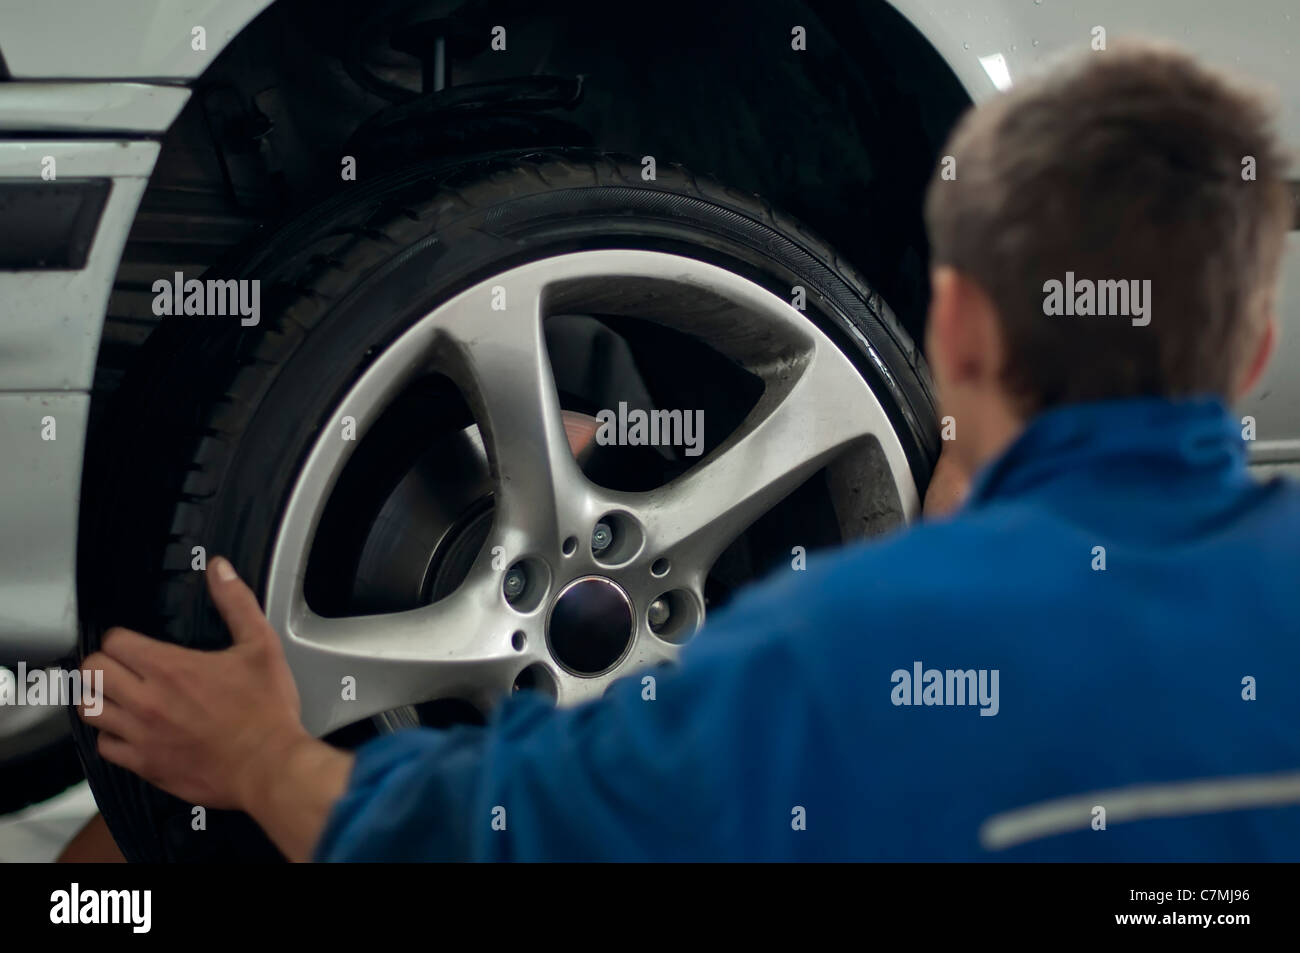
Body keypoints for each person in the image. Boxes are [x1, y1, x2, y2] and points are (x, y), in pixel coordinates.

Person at [77, 40, 1298, 861]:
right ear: (1253, 351)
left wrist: (257, 753)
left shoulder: (839, 657)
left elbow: (495, 837)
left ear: (959, 325)